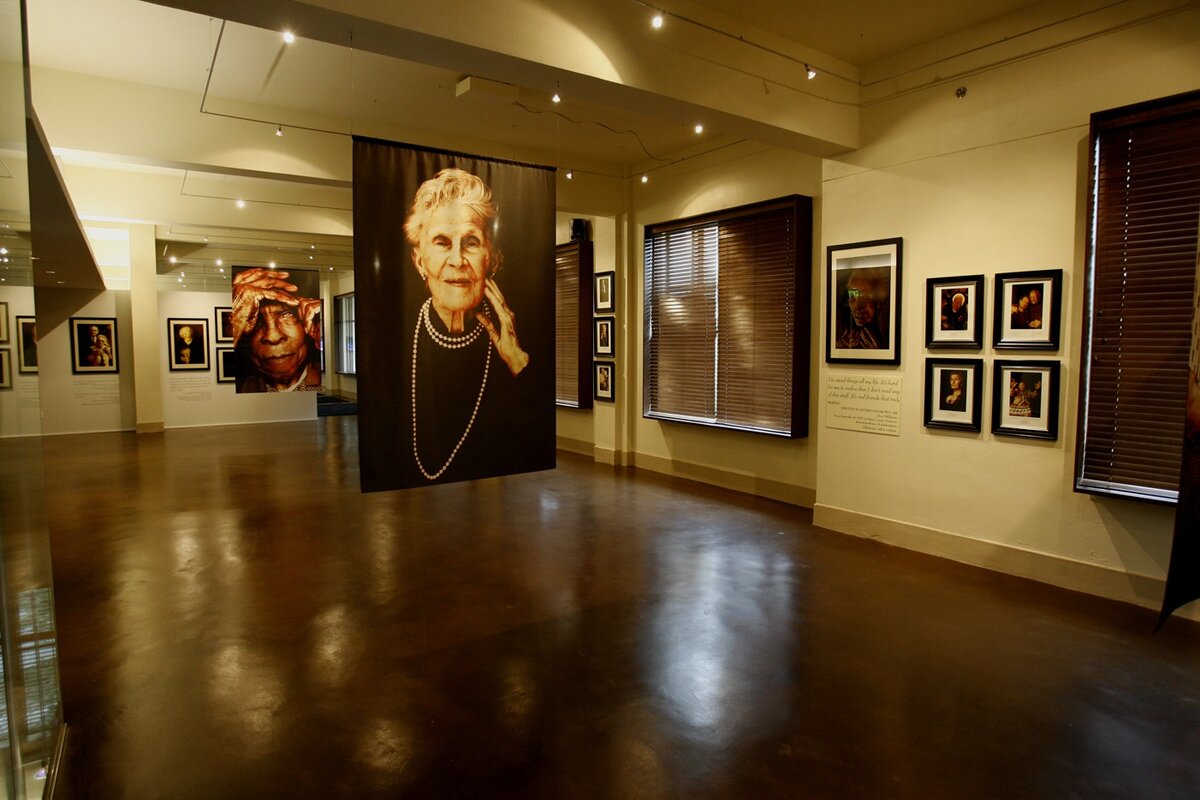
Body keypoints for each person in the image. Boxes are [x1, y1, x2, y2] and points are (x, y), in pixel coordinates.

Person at [403, 167, 533, 483]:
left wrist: (516, 359)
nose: (458, 260)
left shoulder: (513, 347)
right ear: (420, 260)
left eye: (471, 242)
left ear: (493, 258)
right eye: (442, 242)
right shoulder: (393, 344)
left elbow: (533, 436)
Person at [231, 267, 323, 392]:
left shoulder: (327, 385)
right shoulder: (239, 389)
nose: (272, 337)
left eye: (287, 314)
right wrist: (235, 320)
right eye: (257, 320)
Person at [837, 268, 888, 349]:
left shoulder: (889, 331)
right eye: (852, 296)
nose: (857, 307)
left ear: (879, 301)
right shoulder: (843, 327)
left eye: (865, 297)